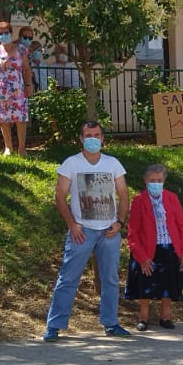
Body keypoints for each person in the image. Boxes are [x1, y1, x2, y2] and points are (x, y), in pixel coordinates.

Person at [43, 120, 131, 340]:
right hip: (82, 232)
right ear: (81, 139)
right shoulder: (71, 164)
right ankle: (54, 326)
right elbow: (60, 197)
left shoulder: (113, 164)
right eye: (88, 135)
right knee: (68, 278)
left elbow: (124, 195)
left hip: (109, 231)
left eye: (97, 135)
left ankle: (111, 323)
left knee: (110, 279)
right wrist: (72, 224)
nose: (93, 139)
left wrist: (119, 222)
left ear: (102, 138)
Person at [127, 164, 183, 331]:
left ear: (164, 181)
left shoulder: (172, 198)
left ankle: (165, 317)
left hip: (169, 246)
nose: (156, 183)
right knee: (145, 283)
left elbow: (181, 225)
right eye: (152, 180)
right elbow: (133, 231)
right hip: (147, 249)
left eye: (159, 180)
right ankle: (143, 318)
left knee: (169, 284)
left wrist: (182, 249)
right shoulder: (139, 201)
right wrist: (141, 257)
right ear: (146, 181)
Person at [0, 21, 35, 156]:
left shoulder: (21, 49)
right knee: (4, 119)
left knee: (20, 118)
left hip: (19, 89)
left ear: (11, 33)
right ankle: (8, 147)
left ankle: (22, 147)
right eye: (0, 34)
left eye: (6, 33)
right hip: (1, 90)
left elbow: (26, 69)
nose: (4, 36)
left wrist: (28, 85)